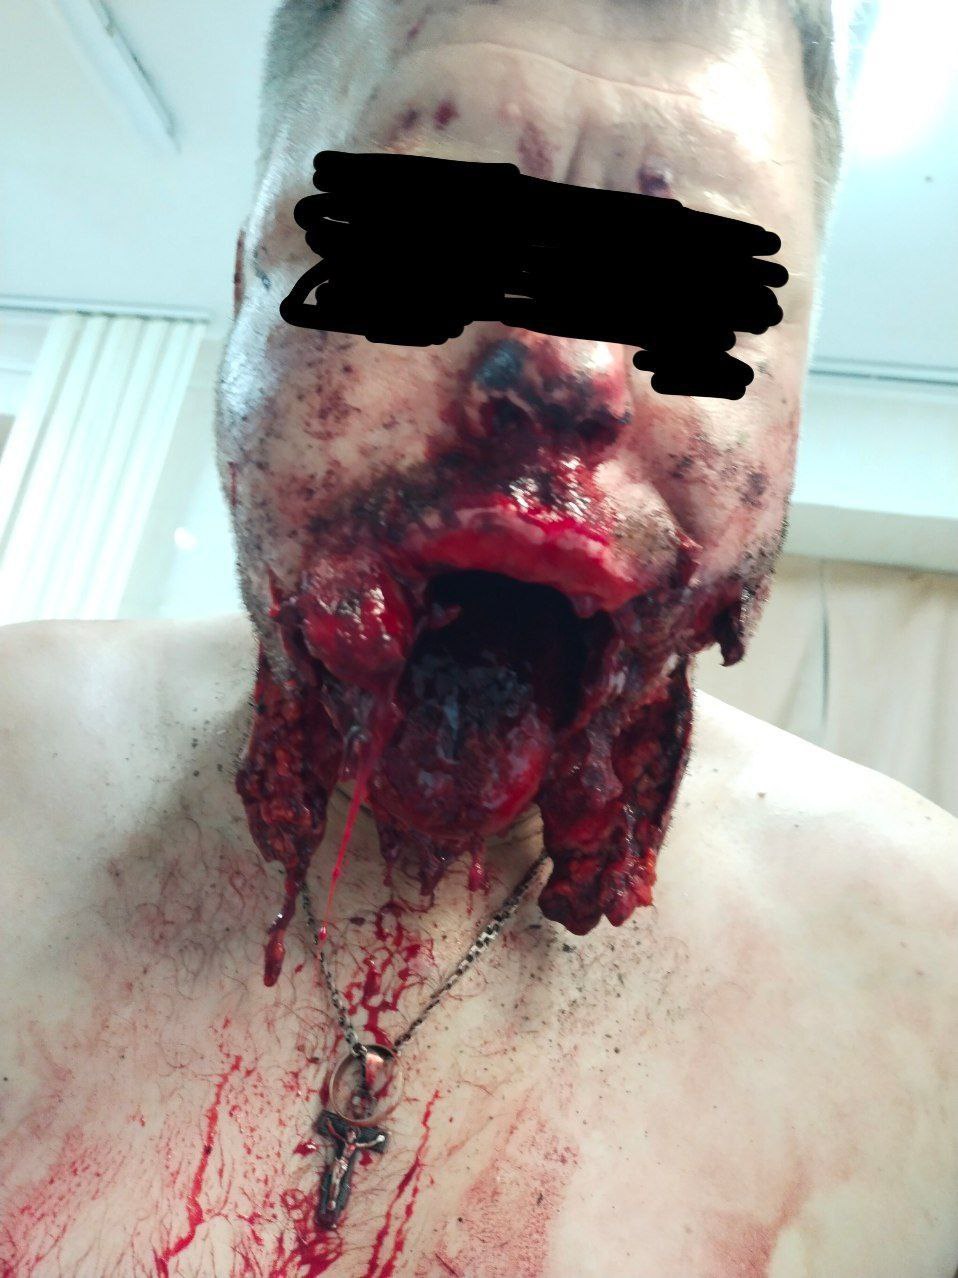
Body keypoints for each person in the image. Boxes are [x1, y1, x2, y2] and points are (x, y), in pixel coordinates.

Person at [2, 0, 957, 1274]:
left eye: (695, 295)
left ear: (791, 403)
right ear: (242, 292)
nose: (566, 368)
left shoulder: (927, 988)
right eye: (416, 244)